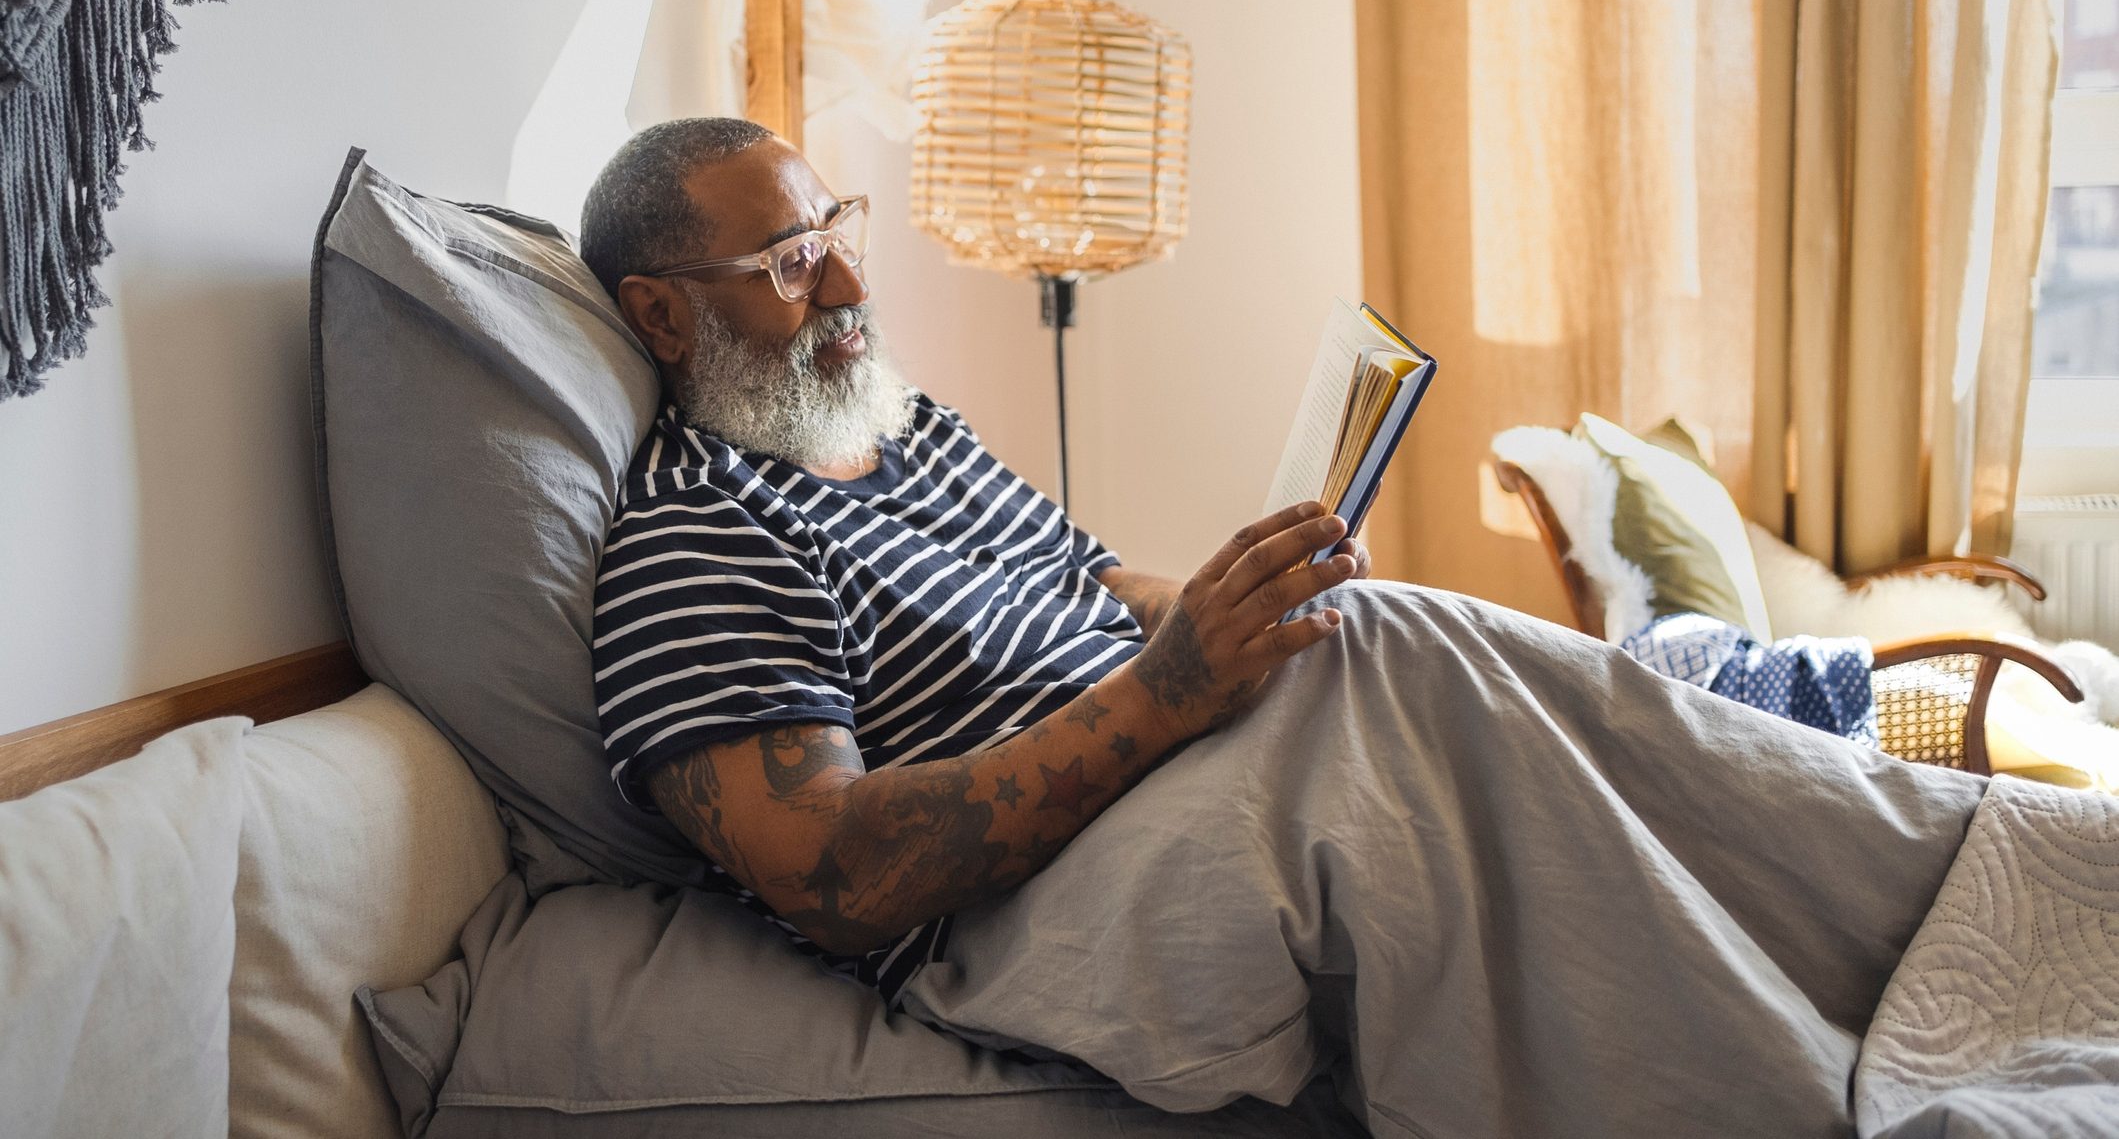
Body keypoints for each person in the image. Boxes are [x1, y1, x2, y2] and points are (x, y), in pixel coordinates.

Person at [580, 117, 1984, 1138]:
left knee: (1369, 629)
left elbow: (1090, 575)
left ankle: (1921, 920)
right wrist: (1167, 695)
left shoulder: (899, 428)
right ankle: (1832, 1037)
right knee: (1391, 685)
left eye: (840, 236)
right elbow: (831, 872)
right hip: (1031, 909)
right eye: (786, 262)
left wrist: (1229, 602)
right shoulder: (695, 535)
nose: (844, 288)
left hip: (1156, 759)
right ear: (658, 313)